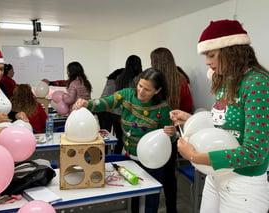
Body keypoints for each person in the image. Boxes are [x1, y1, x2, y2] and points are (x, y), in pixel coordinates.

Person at [170, 19, 269, 212]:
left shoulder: (257, 83)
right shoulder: (225, 80)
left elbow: (255, 153)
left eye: (211, 55)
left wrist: (195, 156)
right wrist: (191, 120)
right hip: (216, 175)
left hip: (243, 184)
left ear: (232, 51)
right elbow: (224, 128)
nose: (207, 62)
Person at [73, 68, 176, 213]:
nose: (140, 91)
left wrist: (171, 133)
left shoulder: (163, 109)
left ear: (157, 91)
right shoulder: (127, 95)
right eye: (140, 86)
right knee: (132, 199)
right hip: (130, 158)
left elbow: (168, 139)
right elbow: (106, 102)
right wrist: (87, 104)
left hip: (153, 163)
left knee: (149, 203)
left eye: (147, 89)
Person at [150, 47, 194, 213]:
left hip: (152, 133)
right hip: (172, 133)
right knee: (170, 176)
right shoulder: (181, 80)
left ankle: (151, 207)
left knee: (151, 174)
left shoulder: (153, 81)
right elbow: (188, 106)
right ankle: (171, 209)